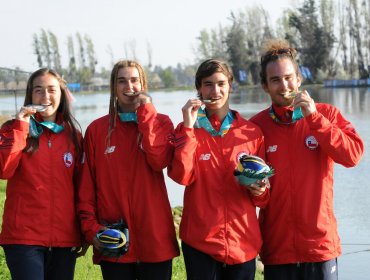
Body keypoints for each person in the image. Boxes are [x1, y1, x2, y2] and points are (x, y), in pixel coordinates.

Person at [250, 38, 364, 280]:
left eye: (289, 77)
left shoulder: (326, 114)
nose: (284, 85)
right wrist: (257, 190)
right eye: (275, 80)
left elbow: (353, 156)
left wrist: (315, 119)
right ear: (264, 86)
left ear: (299, 79)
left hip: (320, 246)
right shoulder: (256, 127)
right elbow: (259, 198)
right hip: (277, 248)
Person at [168, 59, 270, 280]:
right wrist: (187, 127)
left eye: (221, 83)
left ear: (230, 86)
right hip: (200, 242)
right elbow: (181, 177)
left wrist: (260, 190)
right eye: (208, 84)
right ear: (199, 89)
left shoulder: (251, 132)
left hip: (242, 241)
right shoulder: (187, 129)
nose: (215, 91)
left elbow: (263, 198)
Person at [77, 60, 179, 280]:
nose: (129, 87)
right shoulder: (97, 130)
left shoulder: (161, 122)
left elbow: (158, 160)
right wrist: (90, 229)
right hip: (114, 238)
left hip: (155, 239)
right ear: (113, 87)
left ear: (143, 85)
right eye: (121, 81)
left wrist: (147, 114)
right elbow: (86, 187)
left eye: (134, 80)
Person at [0, 68, 84, 280]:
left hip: (64, 239)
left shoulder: (73, 136)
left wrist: (84, 231)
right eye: (39, 90)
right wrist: (20, 127)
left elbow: (82, 187)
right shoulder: (13, 129)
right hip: (23, 238)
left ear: (61, 94)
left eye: (51, 90)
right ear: (30, 95)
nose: (45, 96)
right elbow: (4, 170)